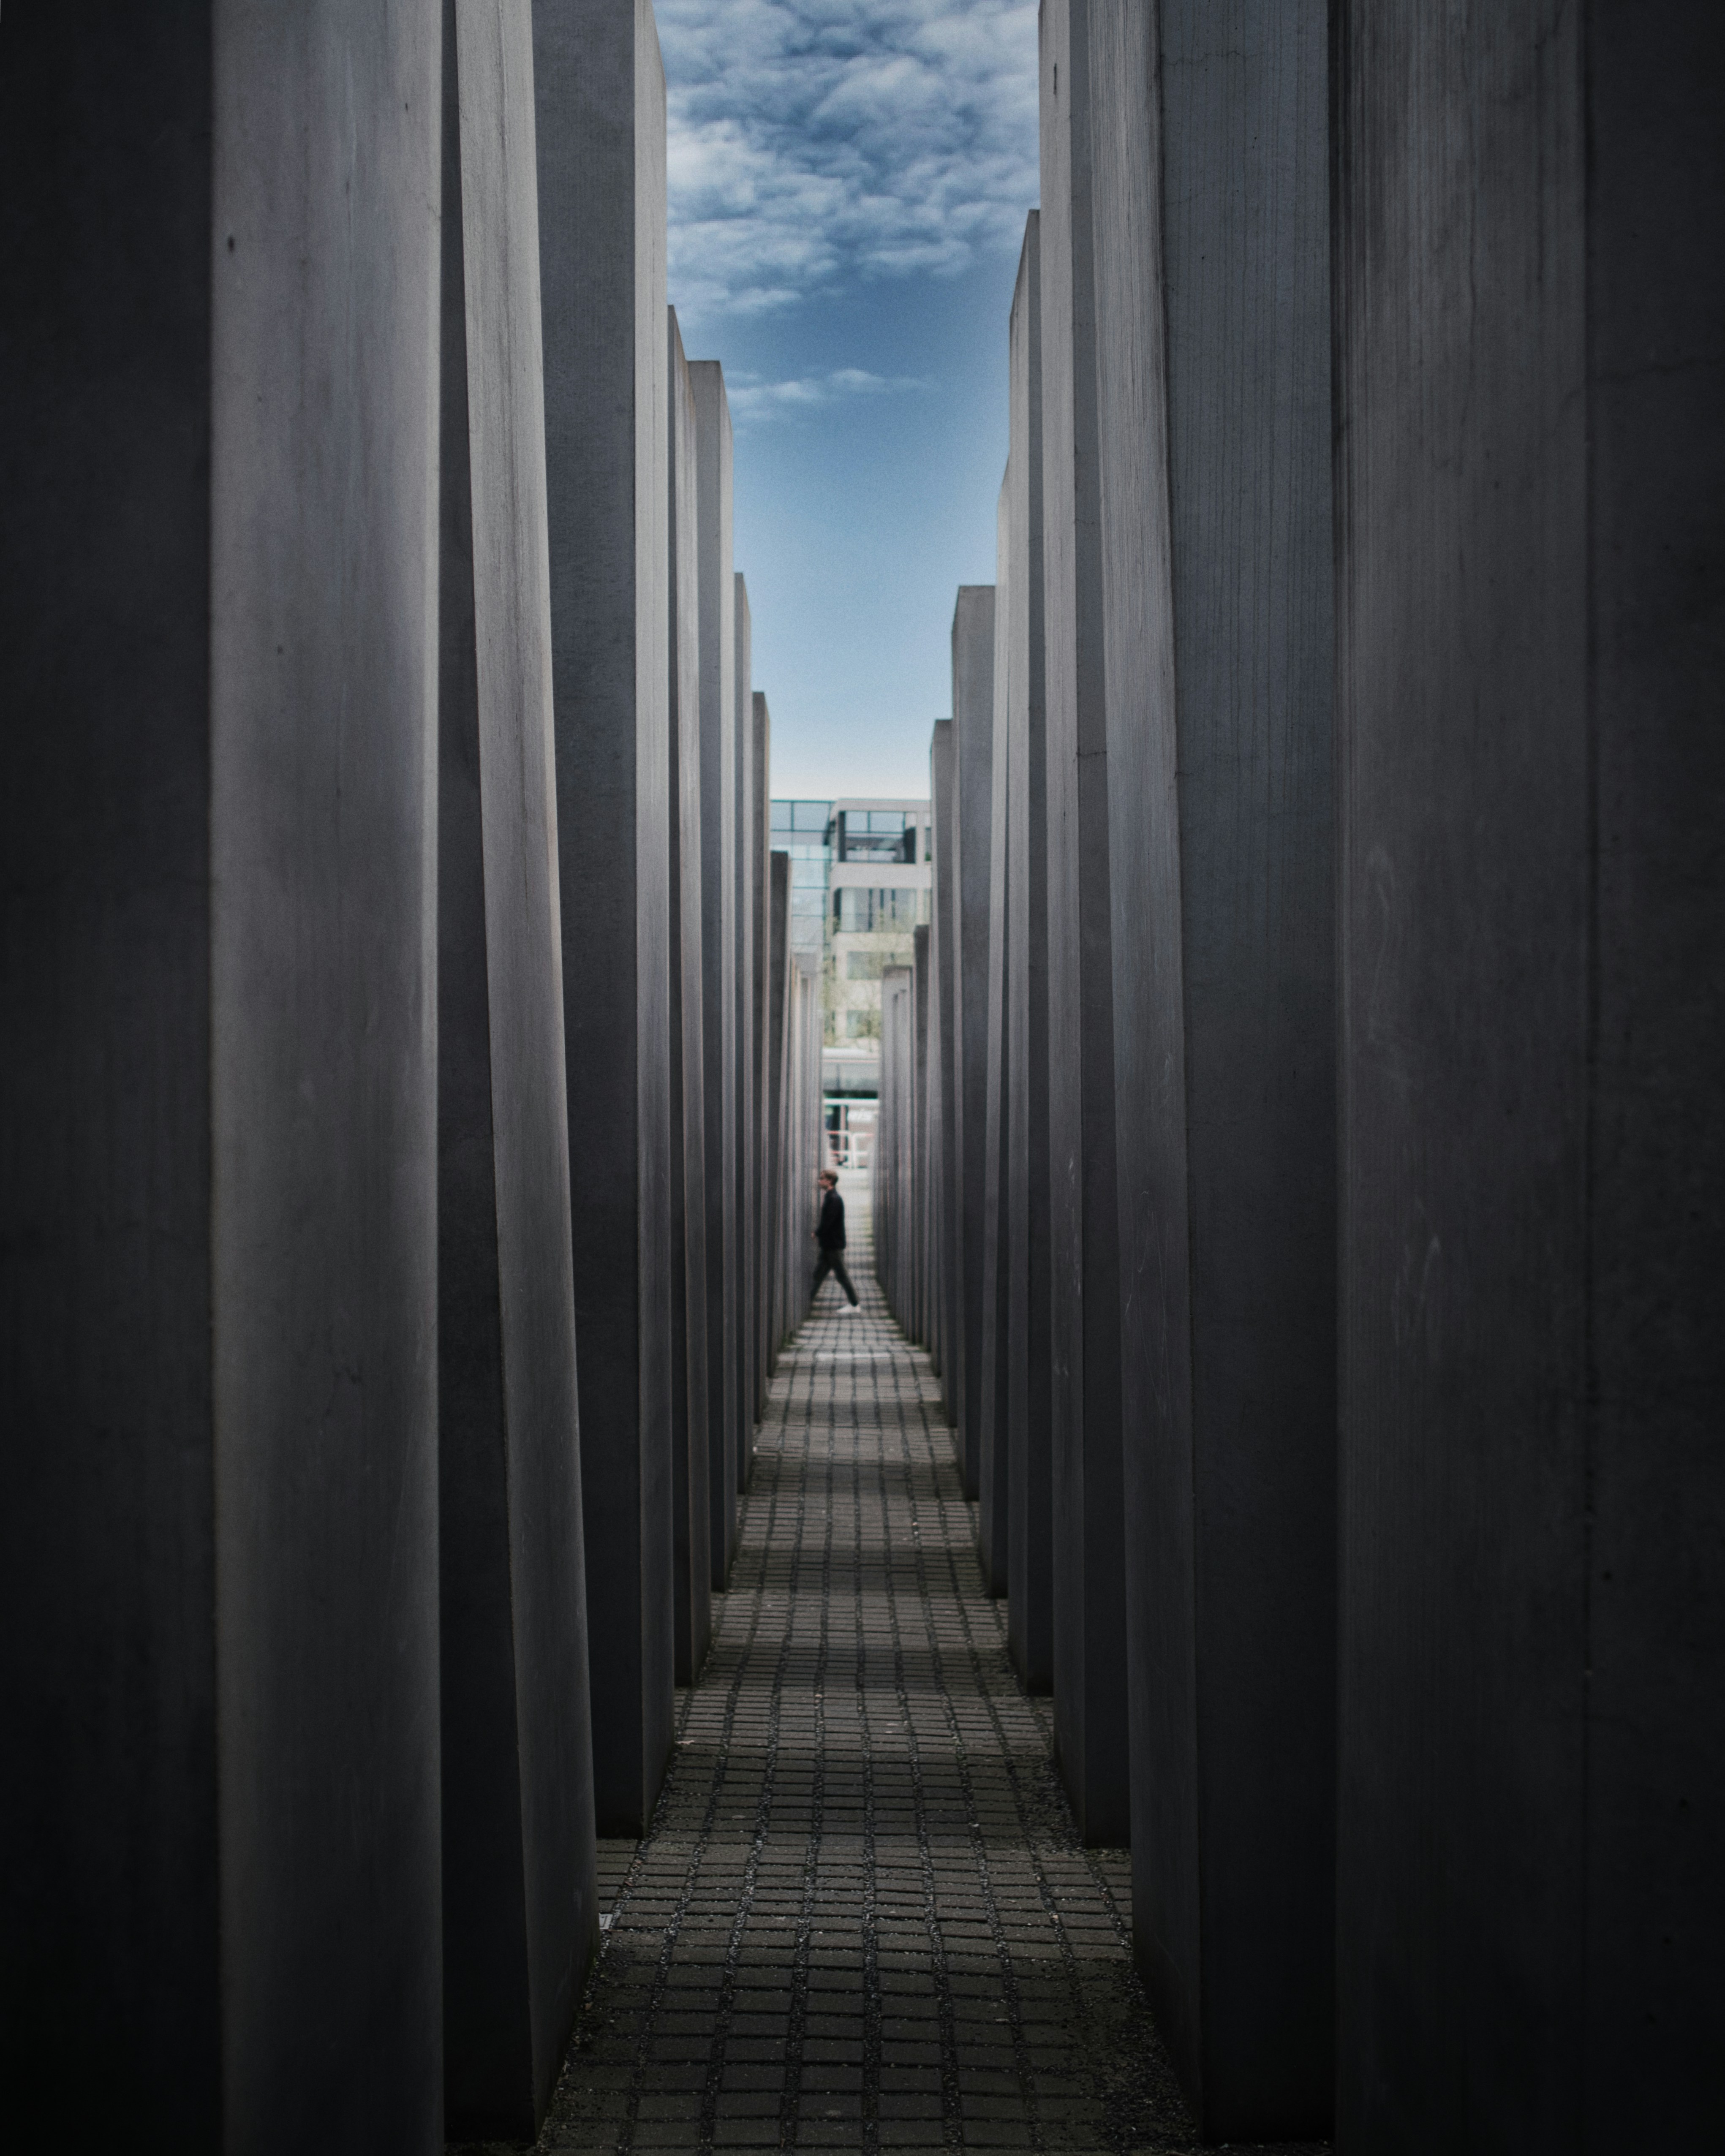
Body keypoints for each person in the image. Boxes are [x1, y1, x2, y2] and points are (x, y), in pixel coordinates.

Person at [811, 1167, 860, 1311]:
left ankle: (855, 1304)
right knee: (818, 1275)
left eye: (822, 1178)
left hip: (833, 1245)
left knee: (842, 1276)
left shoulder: (834, 1199)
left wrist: (817, 1233)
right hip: (829, 1245)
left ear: (830, 1181)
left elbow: (829, 1221)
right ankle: (806, 1302)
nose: (819, 1181)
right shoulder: (831, 1197)